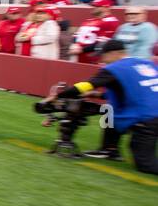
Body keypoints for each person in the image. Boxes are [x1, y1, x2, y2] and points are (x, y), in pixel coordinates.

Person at [55, 39, 158, 173]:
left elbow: (84, 86)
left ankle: (109, 149)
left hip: (148, 120)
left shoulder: (113, 68)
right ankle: (109, 149)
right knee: (108, 111)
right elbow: (139, 91)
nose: (101, 60)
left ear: (114, 53)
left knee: (145, 164)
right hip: (151, 114)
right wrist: (98, 95)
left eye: (103, 56)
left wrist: (58, 96)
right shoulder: (146, 63)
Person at [69, 0, 121, 64]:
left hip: (94, 57)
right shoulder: (89, 20)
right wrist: (74, 44)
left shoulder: (111, 21)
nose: (93, 8)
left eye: (96, 6)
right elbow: (76, 35)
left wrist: (81, 50)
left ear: (105, 8)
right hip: (79, 55)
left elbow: (102, 43)